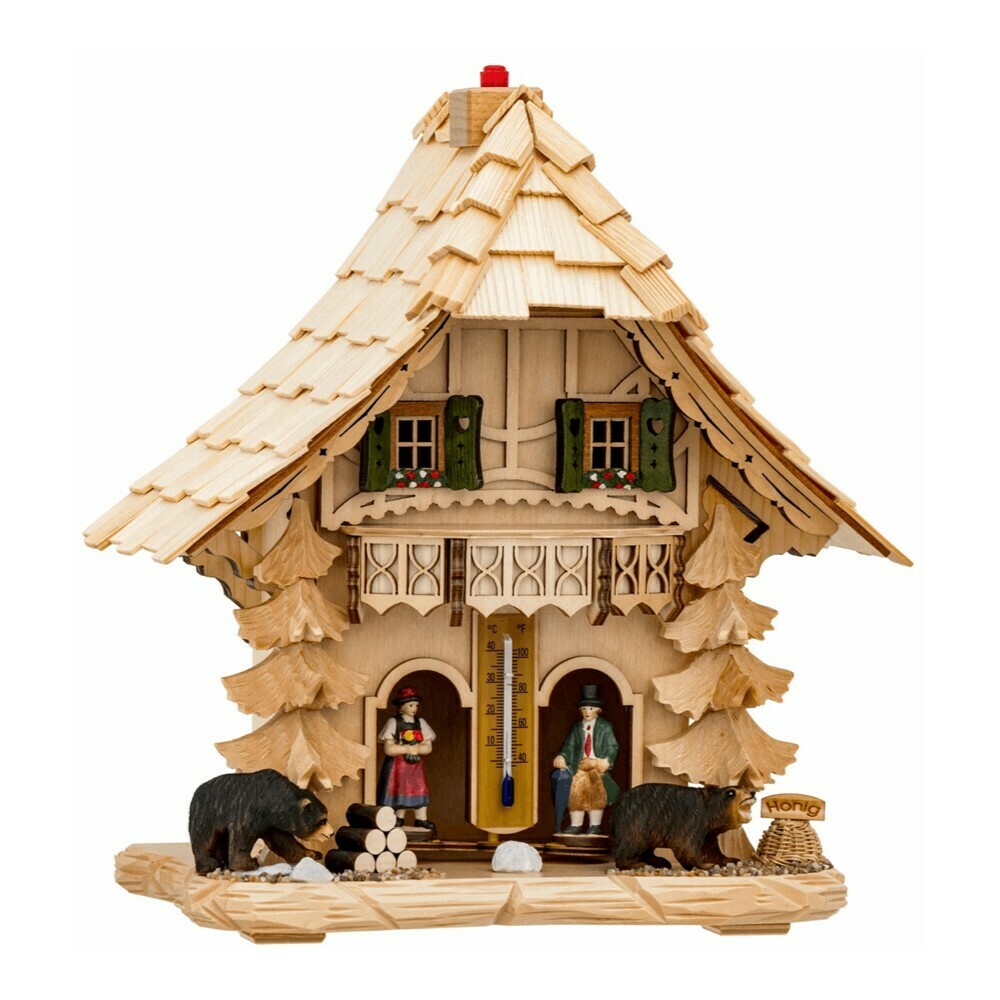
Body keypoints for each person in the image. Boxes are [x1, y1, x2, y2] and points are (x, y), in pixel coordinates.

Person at [551, 684, 619, 835]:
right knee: (576, 794)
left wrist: (607, 760)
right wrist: (562, 756)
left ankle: (595, 825)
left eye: (591, 708)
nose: (587, 712)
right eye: (584, 709)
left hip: (596, 767)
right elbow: (569, 746)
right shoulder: (577, 728)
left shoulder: (605, 727)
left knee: (596, 795)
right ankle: (576, 824)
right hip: (579, 767)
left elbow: (612, 746)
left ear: (598, 710)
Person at [376, 686, 436, 832]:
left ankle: (421, 818)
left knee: (418, 789)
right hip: (398, 766)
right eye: (410, 705)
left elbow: (428, 747)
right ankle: (398, 817)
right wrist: (407, 749)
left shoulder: (420, 722)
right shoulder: (394, 722)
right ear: (401, 706)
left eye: (416, 705)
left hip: (415, 766)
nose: (414, 708)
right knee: (400, 789)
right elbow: (389, 749)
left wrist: (418, 749)